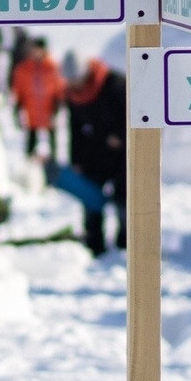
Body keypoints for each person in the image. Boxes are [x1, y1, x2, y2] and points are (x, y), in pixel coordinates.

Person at [64, 56, 127, 254]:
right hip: (93, 152)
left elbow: (137, 114)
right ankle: (94, 242)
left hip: (122, 153)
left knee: (124, 197)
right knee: (91, 196)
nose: (75, 85)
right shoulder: (73, 95)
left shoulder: (114, 84)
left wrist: (121, 136)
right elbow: (74, 128)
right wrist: (76, 160)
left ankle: (126, 242)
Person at [10, 37, 65, 159]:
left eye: (38, 49)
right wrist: (18, 106)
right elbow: (19, 88)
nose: (36, 53)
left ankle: (53, 161)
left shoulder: (53, 67)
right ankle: (29, 161)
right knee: (31, 138)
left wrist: (58, 104)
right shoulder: (23, 68)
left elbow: (60, 87)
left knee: (52, 140)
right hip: (31, 110)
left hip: (49, 111)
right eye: (34, 50)